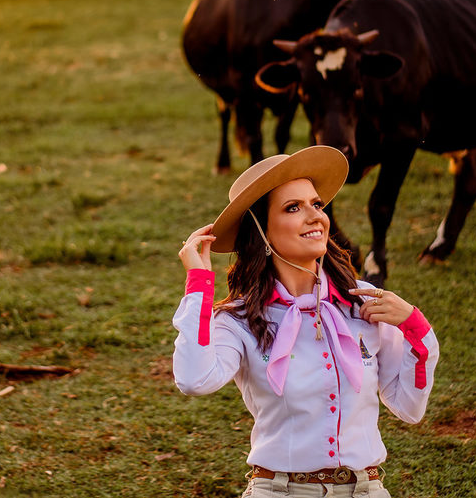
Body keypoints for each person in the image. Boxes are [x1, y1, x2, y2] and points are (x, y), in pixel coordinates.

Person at [173, 146, 439, 498]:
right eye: (293, 207)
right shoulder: (238, 319)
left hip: (366, 489)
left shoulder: (365, 301)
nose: (315, 216)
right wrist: (199, 284)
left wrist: (415, 328)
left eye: (317, 204)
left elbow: (409, 407)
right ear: (262, 232)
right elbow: (194, 379)